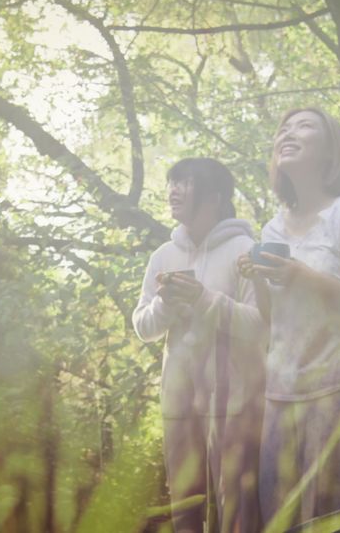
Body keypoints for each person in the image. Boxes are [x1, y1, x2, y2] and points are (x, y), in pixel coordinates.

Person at [238, 108, 340, 529]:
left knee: (338, 520)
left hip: (339, 390)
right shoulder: (272, 229)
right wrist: (257, 279)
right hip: (280, 394)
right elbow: (273, 318)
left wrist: (302, 277)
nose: (288, 133)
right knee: (281, 520)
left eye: (304, 126)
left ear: (331, 152)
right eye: (283, 129)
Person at [133, 157, 266, 533]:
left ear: (215, 196)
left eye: (184, 183)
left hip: (235, 403)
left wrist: (202, 298)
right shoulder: (164, 255)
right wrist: (166, 304)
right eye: (171, 183)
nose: (172, 191)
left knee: (236, 507)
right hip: (179, 401)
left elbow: (261, 326)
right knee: (185, 506)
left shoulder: (245, 250)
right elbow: (144, 328)